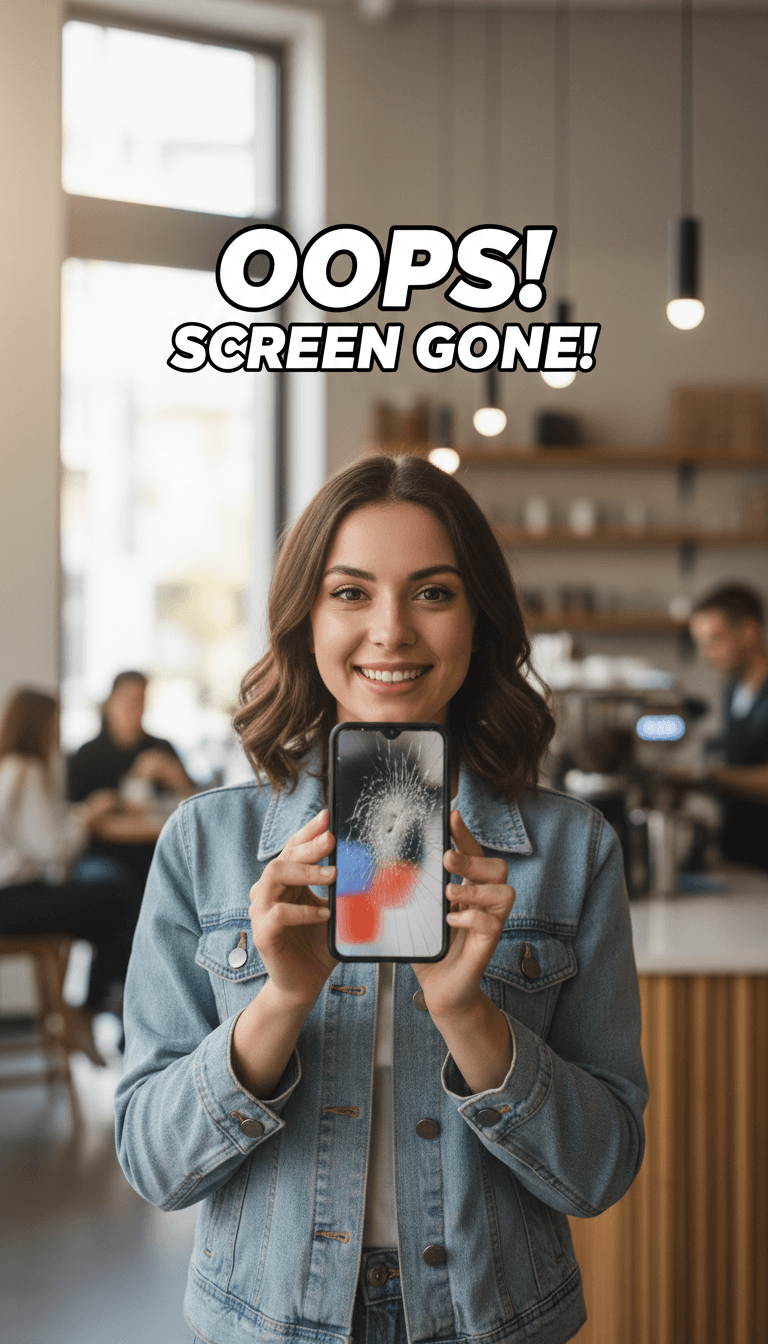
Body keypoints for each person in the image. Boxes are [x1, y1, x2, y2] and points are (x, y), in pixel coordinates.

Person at [115, 454, 647, 1344]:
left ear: (478, 617)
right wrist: (280, 1001)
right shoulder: (205, 846)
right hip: (265, 1321)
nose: (391, 632)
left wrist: (466, 1011)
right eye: (351, 593)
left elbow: (601, 1172)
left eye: (432, 592)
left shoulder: (570, 850)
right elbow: (156, 1166)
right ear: (305, 619)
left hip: (496, 1321)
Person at [0, 688, 143, 1064]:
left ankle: (90, 1008)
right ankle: (93, 1009)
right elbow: (52, 851)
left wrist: (76, 816)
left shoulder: (9, 767)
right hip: (12, 902)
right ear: (39, 725)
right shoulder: (25, 770)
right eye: (54, 723)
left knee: (111, 908)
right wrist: (87, 817)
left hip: (13, 899)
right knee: (124, 897)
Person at [67, 670, 196, 888]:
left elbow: (194, 806)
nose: (134, 709)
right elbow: (77, 820)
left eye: (140, 700)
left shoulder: (161, 749)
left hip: (159, 851)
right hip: (107, 854)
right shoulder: (87, 756)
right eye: (127, 700)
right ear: (110, 703)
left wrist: (173, 774)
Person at [689, 583, 768, 870]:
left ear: (748, 632)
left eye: (714, 640)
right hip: (739, 854)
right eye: (701, 643)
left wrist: (715, 777)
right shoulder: (732, 690)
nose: (707, 653)